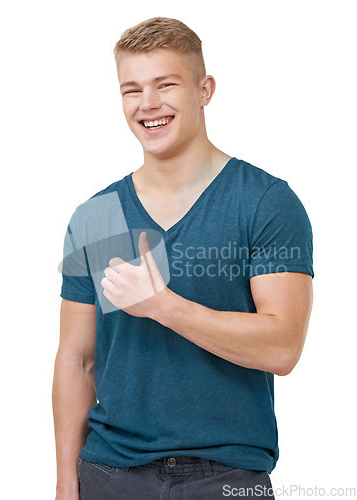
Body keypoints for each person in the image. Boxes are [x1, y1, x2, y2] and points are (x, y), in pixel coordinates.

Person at [52, 17, 314, 500]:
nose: (147, 104)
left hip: (228, 477)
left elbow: (283, 347)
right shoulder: (98, 217)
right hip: (110, 475)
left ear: (204, 89)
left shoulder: (264, 202)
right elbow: (77, 359)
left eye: (165, 84)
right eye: (132, 89)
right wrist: (67, 482)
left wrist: (163, 305)